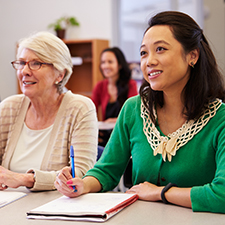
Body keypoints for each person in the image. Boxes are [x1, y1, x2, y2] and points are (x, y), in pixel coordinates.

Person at [55, 11, 225, 213]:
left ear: (192, 56)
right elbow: (106, 171)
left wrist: (160, 193)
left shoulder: (219, 118)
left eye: (160, 49)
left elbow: (221, 194)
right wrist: (83, 185)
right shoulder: (133, 109)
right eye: (144, 53)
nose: (149, 61)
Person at [0, 31, 98, 191]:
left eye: (36, 63)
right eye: (22, 63)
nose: (24, 71)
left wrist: (25, 179)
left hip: (55, 209)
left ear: (60, 74)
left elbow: (80, 175)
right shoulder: (8, 108)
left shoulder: (80, 108)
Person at [91, 47, 138, 146]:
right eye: (103, 62)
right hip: (106, 137)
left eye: (110, 62)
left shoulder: (130, 85)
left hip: (126, 136)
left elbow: (134, 113)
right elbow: (90, 110)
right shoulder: (100, 86)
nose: (106, 66)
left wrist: (115, 120)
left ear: (119, 65)